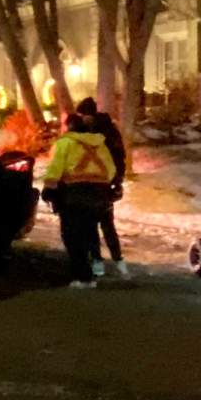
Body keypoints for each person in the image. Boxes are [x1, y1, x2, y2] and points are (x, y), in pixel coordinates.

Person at [43, 113, 116, 288]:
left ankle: (81, 276)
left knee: (72, 235)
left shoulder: (65, 143)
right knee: (90, 233)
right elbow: (111, 170)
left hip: (74, 195)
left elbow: (55, 168)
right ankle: (91, 274)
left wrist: (49, 189)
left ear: (68, 127)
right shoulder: (100, 145)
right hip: (98, 195)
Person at [75, 97, 129, 278]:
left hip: (99, 183)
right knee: (106, 222)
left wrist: (117, 180)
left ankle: (101, 261)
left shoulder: (99, 133)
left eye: (82, 115)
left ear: (88, 115)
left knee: (97, 223)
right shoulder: (108, 129)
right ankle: (116, 261)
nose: (81, 118)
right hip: (105, 182)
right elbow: (120, 156)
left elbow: (117, 156)